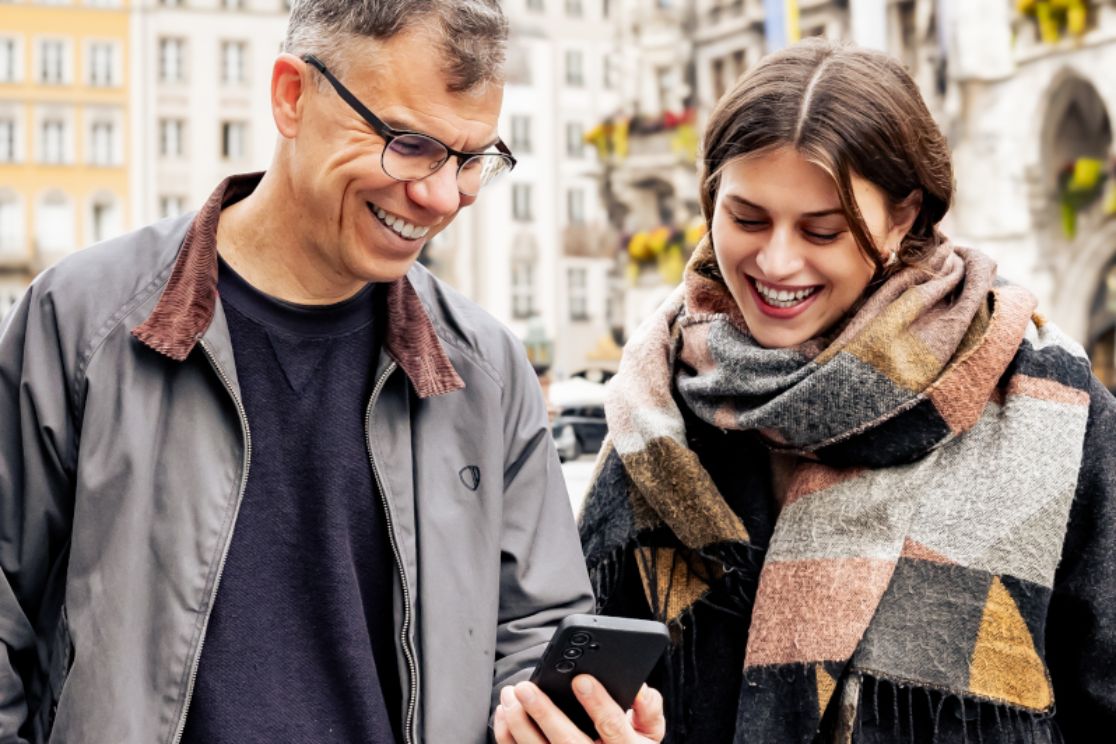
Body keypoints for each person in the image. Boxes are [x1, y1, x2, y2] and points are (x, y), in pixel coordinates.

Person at [0, 2, 664, 742]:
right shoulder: (79, 320)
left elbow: (532, 631)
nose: (443, 197)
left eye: (472, 159)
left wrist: (559, 718)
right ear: (292, 96)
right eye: (410, 145)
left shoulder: (490, 369)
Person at [578, 37, 1116, 744]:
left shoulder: (1057, 415)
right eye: (747, 219)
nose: (775, 260)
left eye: (822, 230)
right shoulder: (656, 410)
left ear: (903, 217)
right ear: (709, 198)